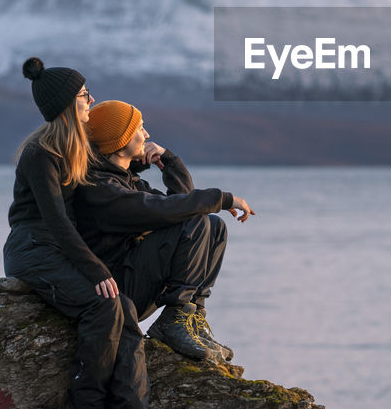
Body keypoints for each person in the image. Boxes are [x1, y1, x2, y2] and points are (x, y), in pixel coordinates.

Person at [0, 58, 162, 409]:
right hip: (32, 248)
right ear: (67, 105)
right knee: (103, 304)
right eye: (84, 94)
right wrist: (95, 270)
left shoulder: (79, 147)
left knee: (121, 305)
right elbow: (55, 221)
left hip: (61, 245)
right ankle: (85, 401)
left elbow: (113, 178)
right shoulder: (41, 154)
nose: (91, 99)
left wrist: (150, 158)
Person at [74, 100, 255, 365]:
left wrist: (169, 162)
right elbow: (168, 211)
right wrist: (224, 198)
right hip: (116, 294)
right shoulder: (100, 188)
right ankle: (172, 322)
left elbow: (186, 206)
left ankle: (190, 319)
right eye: (140, 128)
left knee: (213, 226)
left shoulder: (128, 181)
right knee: (196, 221)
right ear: (121, 140)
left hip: (136, 282)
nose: (147, 135)